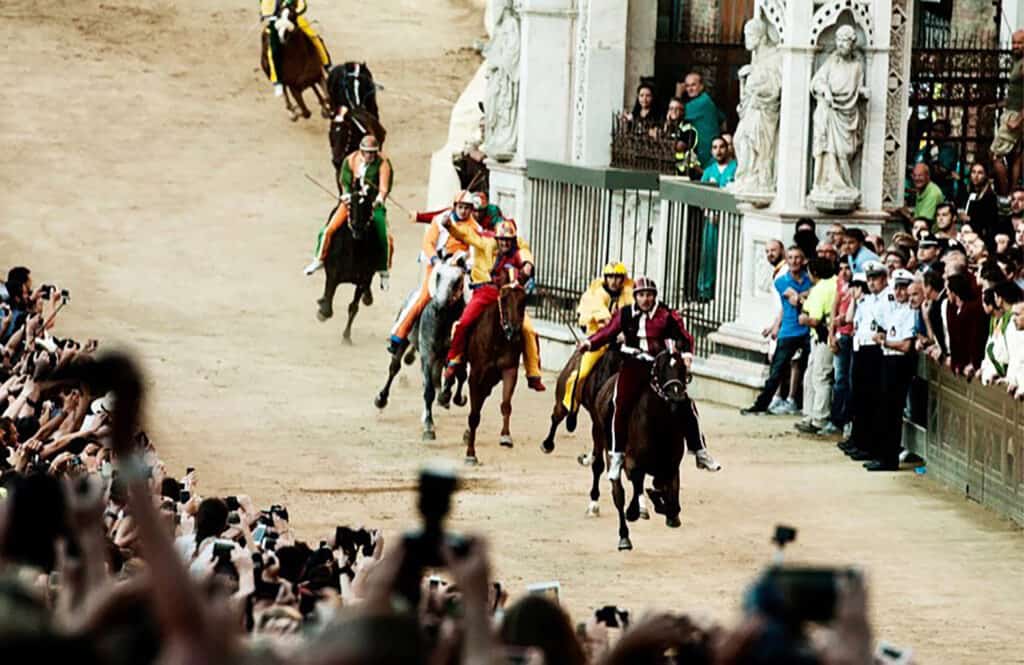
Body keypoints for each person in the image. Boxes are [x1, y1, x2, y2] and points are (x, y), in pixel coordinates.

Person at [577, 277, 720, 479]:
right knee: (621, 403)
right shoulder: (625, 314)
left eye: (649, 295)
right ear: (636, 296)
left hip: (660, 366)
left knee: (685, 403)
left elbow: (685, 336)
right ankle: (617, 455)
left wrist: (687, 356)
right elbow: (608, 332)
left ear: (655, 296)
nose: (646, 299)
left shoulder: (666, 315)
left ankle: (699, 450)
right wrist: (589, 343)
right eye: (642, 295)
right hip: (634, 364)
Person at [441, 219, 546, 391]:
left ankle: (533, 373)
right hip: (485, 292)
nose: (505, 243)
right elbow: (466, 235)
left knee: (528, 330)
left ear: (513, 240)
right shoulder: (486, 243)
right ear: (496, 239)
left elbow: (525, 255)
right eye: (502, 240)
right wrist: (449, 226)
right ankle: (454, 359)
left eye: (508, 240)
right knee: (464, 323)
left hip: (509, 297)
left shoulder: (518, 248)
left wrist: (528, 265)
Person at [388, 192, 478, 355]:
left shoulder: (475, 228)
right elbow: (428, 242)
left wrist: (468, 263)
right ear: (455, 206)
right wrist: (435, 259)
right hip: (437, 265)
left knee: (470, 301)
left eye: (467, 208)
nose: (464, 211)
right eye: (461, 207)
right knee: (423, 297)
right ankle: (399, 335)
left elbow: (474, 251)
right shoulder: (440, 220)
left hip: (460, 270)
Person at [305, 135, 393, 283]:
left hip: (372, 204)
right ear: (361, 151)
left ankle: (383, 270)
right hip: (352, 201)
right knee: (328, 229)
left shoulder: (383, 164)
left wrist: (379, 198)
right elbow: (345, 180)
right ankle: (319, 258)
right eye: (367, 152)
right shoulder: (351, 160)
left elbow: (384, 187)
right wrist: (346, 194)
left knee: (386, 238)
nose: (370, 155)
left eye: (373, 152)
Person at [741, 246, 812, 415]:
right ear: (787, 261)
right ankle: (761, 405)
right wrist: (808, 294)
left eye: (798, 257)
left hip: (807, 329)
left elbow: (799, 297)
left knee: (809, 369)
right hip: (789, 330)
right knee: (776, 371)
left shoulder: (809, 278)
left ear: (803, 260)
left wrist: (804, 295)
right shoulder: (781, 281)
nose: (794, 261)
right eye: (791, 257)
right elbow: (793, 299)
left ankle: (800, 404)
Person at [563, 264, 634, 428]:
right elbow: (594, 318)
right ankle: (572, 407)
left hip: (623, 344)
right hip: (599, 342)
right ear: (605, 278)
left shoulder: (629, 295)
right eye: (611, 277)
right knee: (580, 374)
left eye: (618, 277)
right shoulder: (595, 294)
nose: (614, 281)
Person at [865, 268, 917, 471]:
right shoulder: (895, 309)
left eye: (904, 288)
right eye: (897, 288)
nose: (900, 292)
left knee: (892, 411)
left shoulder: (910, 312)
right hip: (888, 360)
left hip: (899, 362)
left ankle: (889, 458)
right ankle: (882, 454)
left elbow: (905, 345)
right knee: (884, 409)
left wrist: (886, 341)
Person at [839, 261, 889, 463]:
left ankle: (867, 444)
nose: (872, 283)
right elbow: (852, 321)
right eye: (869, 279)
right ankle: (859, 441)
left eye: (874, 279)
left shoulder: (883, 299)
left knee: (869, 399)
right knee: (859, 397)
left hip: (873, 350)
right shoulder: (867, 301)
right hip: (860, 348)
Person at [794, 257, 838, 435]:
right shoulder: (833, 283)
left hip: (822, 336)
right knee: (812, 376)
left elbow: (815, 319)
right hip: (821, 337)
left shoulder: (820, 289)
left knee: (819, 377)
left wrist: (804, 318)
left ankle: (818, 417)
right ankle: (811, 414)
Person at [260, 0, 331, 97]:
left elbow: (301, 4)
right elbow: (266, 7)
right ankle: (277, 80)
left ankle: (326, 63)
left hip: (294, 18)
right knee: (272, 49)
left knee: (314, 37)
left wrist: (294, 11)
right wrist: (271, 15)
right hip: (276, 21)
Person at [696, 137, 738, 300]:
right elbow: (701, 197)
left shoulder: (736, 168)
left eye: (722, 147)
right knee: (708, 255)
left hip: (730, 222)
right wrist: (709, 213)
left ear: (728, 148)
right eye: (715, 147)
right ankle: (705, 291)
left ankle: (725, 293)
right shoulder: (709, 171)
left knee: (728, 257)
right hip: (711, 222)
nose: (718, 151)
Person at [991, 29, 1024, 195]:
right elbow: (1016, 93)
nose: (1015, 46)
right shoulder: (1017, 62)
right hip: (1012, 111)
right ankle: (1012, 192)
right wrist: (998, 105)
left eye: (1019, 43)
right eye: (1014, 43)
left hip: (1016, 116)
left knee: (996, 154)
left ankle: (1005, 194)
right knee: (1017, 155)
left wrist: (1018, 119)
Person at [828, 260, 856, 435]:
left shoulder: (858, 286)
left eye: (847, 268)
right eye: (841, 268)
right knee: (840, 379)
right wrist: (831, 333)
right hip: (842, 335)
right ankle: (837, 419)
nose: (844, 272)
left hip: (854, 335)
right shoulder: (839, 284)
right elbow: (834, 308)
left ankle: (848, 420)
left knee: (852, 380)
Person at [682, 72, 726, 168]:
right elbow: (722, 119)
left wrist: (678, 92)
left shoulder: (702, 102)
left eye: (693, 85)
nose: (690, 89)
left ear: (701, 86)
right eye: (687, 86)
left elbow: (676, 112)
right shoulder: (707, 100)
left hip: (706, 154)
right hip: (710, 153)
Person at [961, 162, 1000, 243]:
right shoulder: (969, 192)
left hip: (982, 237)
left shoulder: (990, 197)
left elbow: (990, 222)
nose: (976, 176)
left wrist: (969, 219)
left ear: (986, 175)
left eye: (980, 173)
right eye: (973, 172)